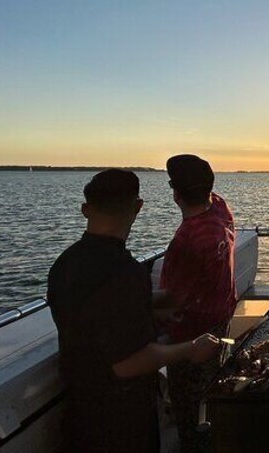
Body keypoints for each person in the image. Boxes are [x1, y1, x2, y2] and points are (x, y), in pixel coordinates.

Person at [47, 169, 220, 452]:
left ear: (85, 209)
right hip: (122, 422)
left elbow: (93, 317)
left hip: (79, 413)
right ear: (138, 207)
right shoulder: (126, 272)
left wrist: (154, 307)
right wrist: (191, 348)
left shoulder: (64, 265)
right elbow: (128, 363)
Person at [160, 154, 237, 453]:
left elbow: (173, 300)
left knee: (189, 406)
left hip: (190, 335)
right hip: (221, 318)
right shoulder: (221, 211)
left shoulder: (184, 241)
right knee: (213, 388)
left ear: (175, 192)